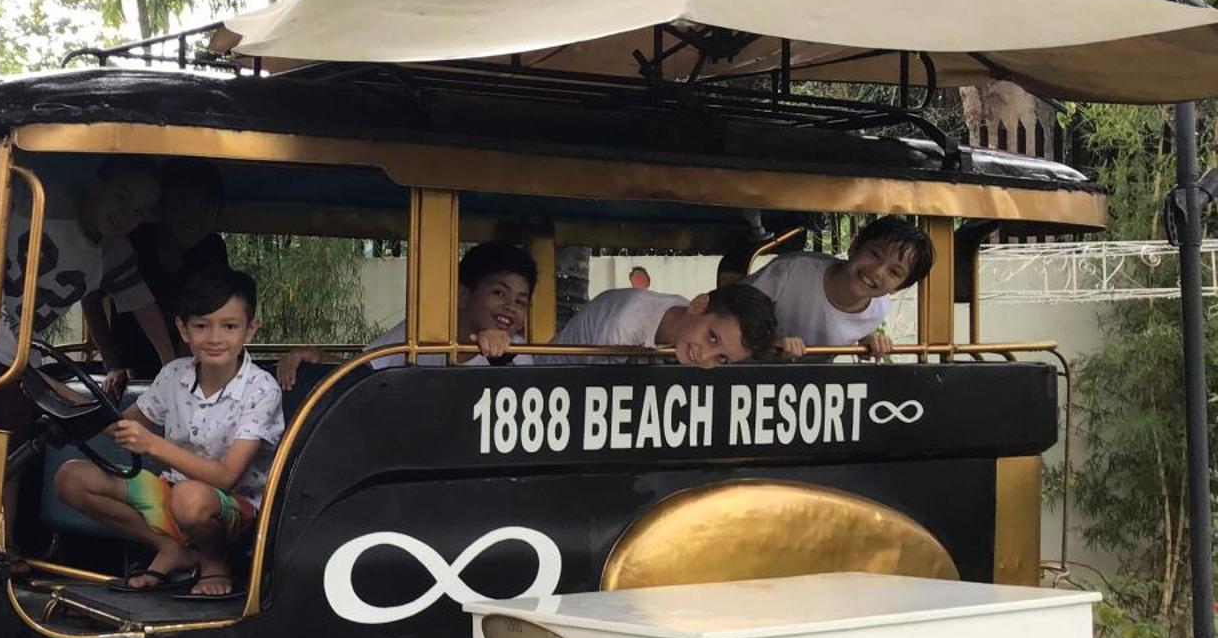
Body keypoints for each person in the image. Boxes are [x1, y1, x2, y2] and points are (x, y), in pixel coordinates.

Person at [53, 266, 284, 599]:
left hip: (234, 512)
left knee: (190, 498)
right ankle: (171, 549)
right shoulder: (173, 374)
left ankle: (215, 561)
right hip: (171, 494)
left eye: (229, 326)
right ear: (183, 329)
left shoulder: (262, 389)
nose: (215, 338)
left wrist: (153, 445)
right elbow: (121, 426)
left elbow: (226, 477)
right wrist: (60, 394)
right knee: (70, 477)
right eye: (202, 326)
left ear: (250, 330)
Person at [0, 158, 175, 386]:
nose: (126, 215)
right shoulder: (35, 197)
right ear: (97, 185)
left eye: (138, 212)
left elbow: (142, 305)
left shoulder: (114, 253)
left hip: (19, 354)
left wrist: (171, 367)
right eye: (121, 197)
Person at [275, 242, 537, 389]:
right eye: (499, 293)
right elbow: (363, 370)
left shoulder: (519, 352)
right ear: (463, 295)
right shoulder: (420, 334)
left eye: (521, 301)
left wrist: (502, 357)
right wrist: (317, 357)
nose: (511, 307)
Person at [99, 159, 229, 380]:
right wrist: (112, 363)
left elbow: (208, 311)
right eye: (183, 207)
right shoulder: (134, 241)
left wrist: (179, 369)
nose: (194, 220)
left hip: (187, 362)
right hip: (128, 365)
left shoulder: (211, 250)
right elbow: (92, 298)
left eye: (206, 210)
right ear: (162, 207)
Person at [747, 216, 934, 360]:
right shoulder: (792, 269)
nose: (877, 271)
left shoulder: (879, 310)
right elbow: (727, 309)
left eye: (894, 272)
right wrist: (766, 342)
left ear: (899, 287)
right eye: (875, 254)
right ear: (855, 246)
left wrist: (867, 342)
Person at [547, 283, 780, 368]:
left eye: (722, 359)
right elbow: (598, 396)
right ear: (698, 305)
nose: (705, 356)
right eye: (712, 338)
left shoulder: (684, 322)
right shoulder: (624, 327)